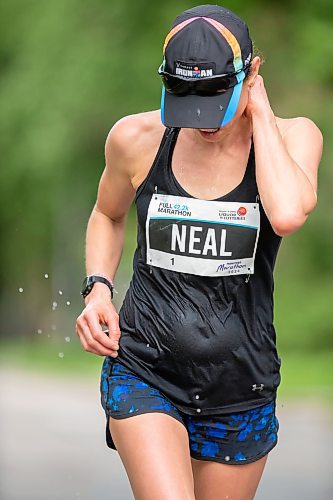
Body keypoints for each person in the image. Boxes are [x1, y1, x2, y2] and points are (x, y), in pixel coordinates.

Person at [76, 5, 322, 499]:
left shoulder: (294, 136)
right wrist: (98, 289)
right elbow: (107, 214)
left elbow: (289, 213)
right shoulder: (136, 139)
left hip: (241, 386)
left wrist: (260, 109)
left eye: (214, 100)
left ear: (251, 72)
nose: (202, 123)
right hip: (145, 368)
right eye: (185, 100)